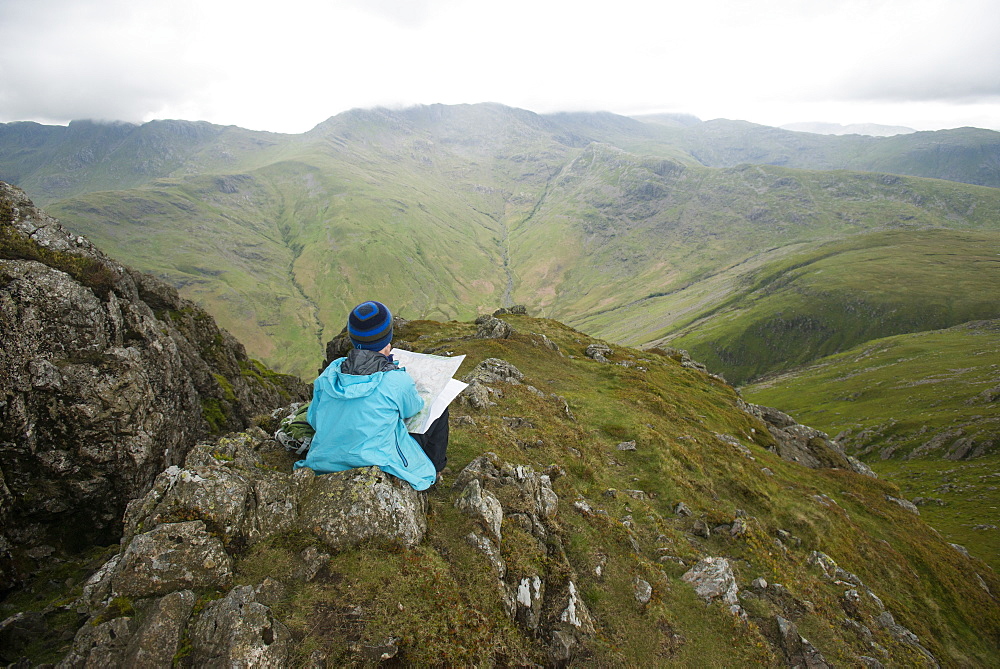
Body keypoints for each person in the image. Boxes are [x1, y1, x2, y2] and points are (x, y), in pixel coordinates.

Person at [293, 301, 447, 491]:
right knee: (440, 409)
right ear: (388, 337)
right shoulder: (396, 380)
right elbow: (414, 408)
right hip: (377, 461)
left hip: (325, 462)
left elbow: (314, 419)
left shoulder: (329, 374)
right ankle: (436, 470)